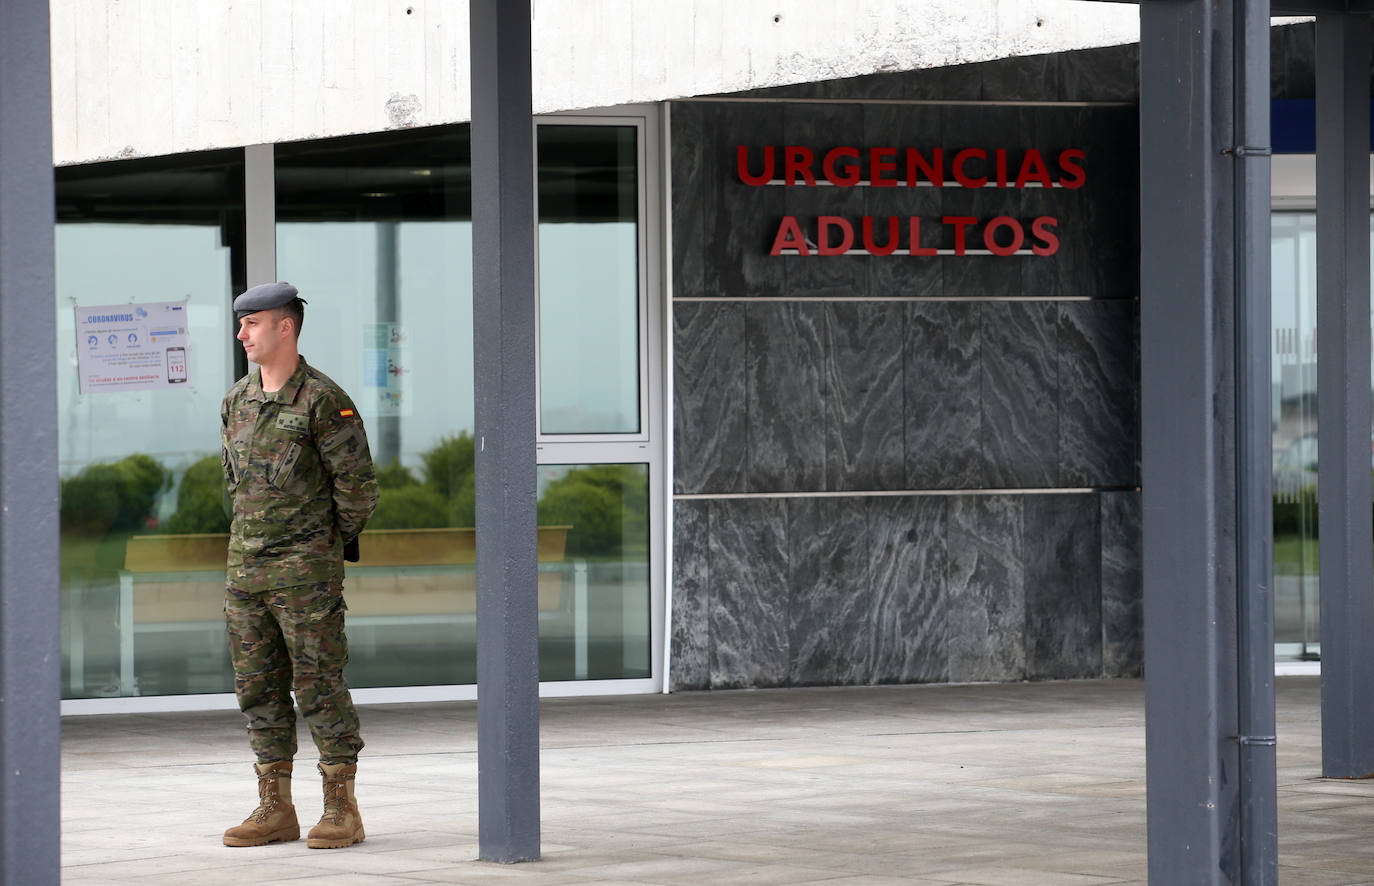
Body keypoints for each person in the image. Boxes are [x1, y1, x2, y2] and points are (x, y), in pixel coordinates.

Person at [219, 281, 379, 849]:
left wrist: (319, 550)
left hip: (304, 577)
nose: (242, 334)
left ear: (285, 326)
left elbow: (357, 492)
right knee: (257, 690)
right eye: (241, 325)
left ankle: (342, 806)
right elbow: (235, 487)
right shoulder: (237, 401)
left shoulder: (323, 401)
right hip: (246, 576)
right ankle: (275, 806)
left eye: (252, 323)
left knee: (318, 685)